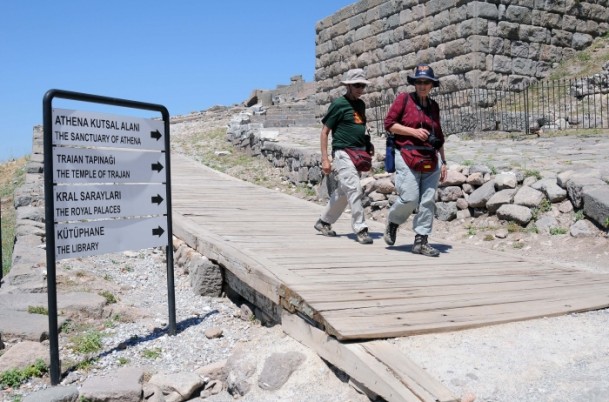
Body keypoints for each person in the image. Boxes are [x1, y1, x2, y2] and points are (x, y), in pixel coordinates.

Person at [382, 64, 447, 256]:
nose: (422, 85)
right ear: (414, 83)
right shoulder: (404, 99)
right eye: (419, 82)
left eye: (426, 82)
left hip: (429, 157)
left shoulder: (434, 106)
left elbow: (439, 136)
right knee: (410, 197)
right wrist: (413, 132)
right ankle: (394, 221)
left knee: (427, 201)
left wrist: (444, 161)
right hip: (406, 153)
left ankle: (421, 241)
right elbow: (389, 124)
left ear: (432, 85)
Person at [314, 68, 374, 245]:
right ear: (348, 86)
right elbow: (325, 132)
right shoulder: (339, 104)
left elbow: (361, 127)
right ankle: (361, 228)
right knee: (354, 188)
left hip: (358, 153)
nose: (360, 88)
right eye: (356, 85)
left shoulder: (361, 105)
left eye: (362, 85)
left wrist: (368, 143)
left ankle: (324, 221)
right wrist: (325, 159)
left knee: (344, 191)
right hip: (342, 153)